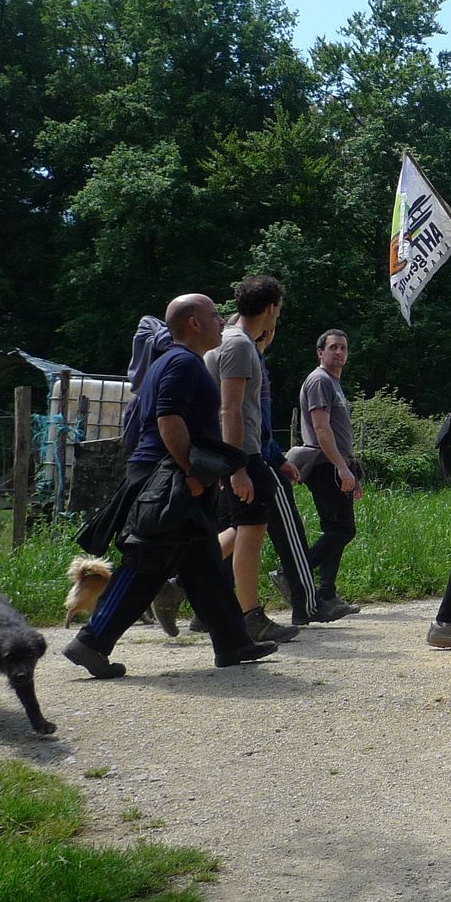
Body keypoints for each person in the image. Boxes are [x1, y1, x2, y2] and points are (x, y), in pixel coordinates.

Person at [65, 293, 276, 677]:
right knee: (147, 562)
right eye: (214, 316)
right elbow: (168, 421)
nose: (221, 322)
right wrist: (192, 474)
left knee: (203, 562)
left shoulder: (175, 362)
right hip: (167, 479)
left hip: (166, 476)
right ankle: (91, 642)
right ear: (194, 323)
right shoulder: (181, 362)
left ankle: (233, 643)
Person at [203, 275, 300, 645]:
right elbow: (231, 408)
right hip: (242, 454)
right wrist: (238, 466)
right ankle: (250, 617)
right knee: (251, 532)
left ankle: (178, 582)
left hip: (234, 453)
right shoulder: (240, 345)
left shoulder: (228, 339)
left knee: (242, 529)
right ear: (271, 307)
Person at [289, 329, 363, 613]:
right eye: (333, 348)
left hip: (336, 465)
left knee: (337, 529)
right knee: (342, 529)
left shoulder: (333, 382)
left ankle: (326, 594)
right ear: (320, 352)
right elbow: (321, 429)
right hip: (324, 466)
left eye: (343, 348)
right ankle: (295, 573)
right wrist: (342, 468)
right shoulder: (320, 380)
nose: (339, 353)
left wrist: (351, 472)